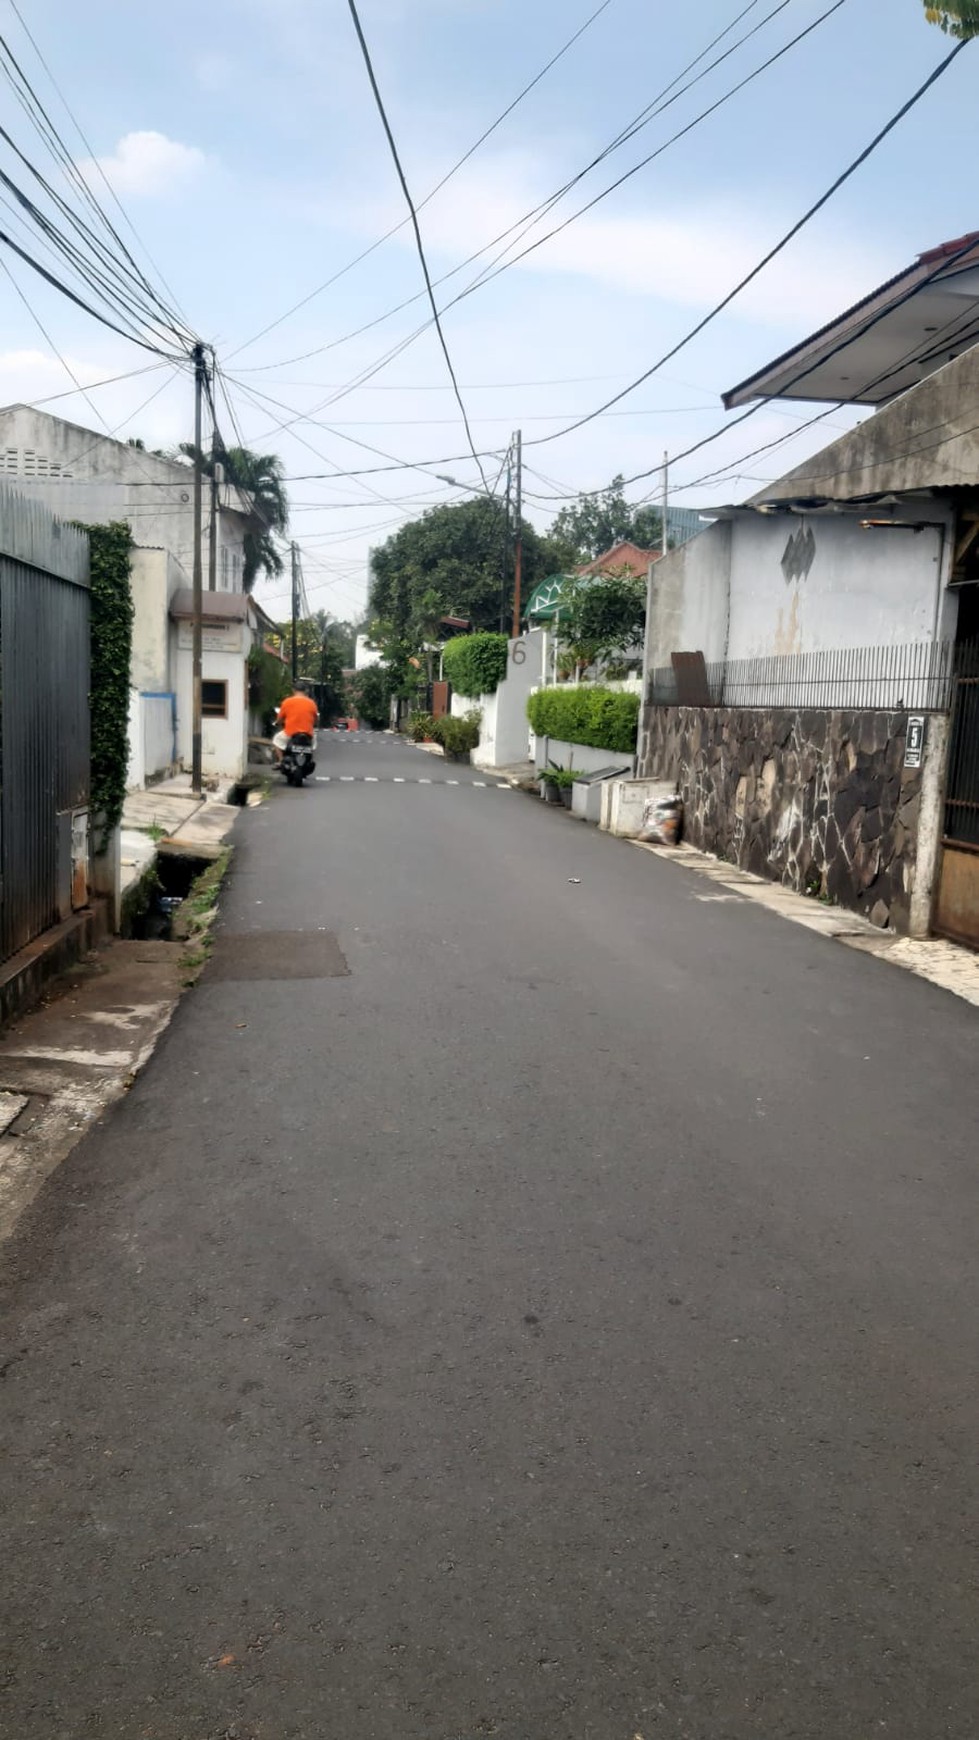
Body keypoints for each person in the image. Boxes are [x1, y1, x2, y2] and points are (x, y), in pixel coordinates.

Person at [272, 684, 319, 764]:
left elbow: (280, 719)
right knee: (312, 745)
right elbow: (316, 719)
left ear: (293, 690)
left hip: (290, 733)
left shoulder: (287, 702)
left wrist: (277, 723)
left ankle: (280, 760)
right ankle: (309, 760)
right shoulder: (311, 703)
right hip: (308, 733)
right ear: (305, 691)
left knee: (276, 740)